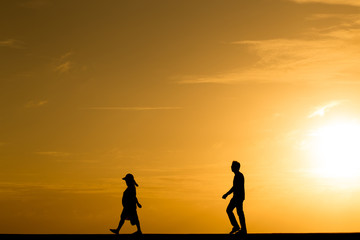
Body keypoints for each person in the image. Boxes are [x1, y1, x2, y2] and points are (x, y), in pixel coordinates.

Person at [222, 161, 247, 235]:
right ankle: (239, 228)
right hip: (237, 197)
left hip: (238, 197)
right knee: (234, 211)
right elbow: (235, 187)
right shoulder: (237, 175)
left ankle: (241, 228)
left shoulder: (239, 176)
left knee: (236, 212)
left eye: (232, 166)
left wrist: (226, 194)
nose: (231, 167)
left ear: (236, 167)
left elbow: (235, 187)